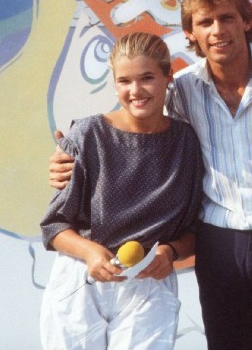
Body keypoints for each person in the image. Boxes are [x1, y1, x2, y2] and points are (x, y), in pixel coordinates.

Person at [50, 0, 252, 350]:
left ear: (247, 20)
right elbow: (134, 124)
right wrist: (69, 155)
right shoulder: (183, 90)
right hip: (217, 250)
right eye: (204, 21)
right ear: (190, 32)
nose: (217, 30)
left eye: (226, 17)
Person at [39, 32, 203, 349]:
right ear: (114, 83)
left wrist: (170, 252)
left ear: (168, 76)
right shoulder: (87, 134)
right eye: (124, 81)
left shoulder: (186, 142)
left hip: (149, 288)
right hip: (80, 281)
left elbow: (195, 230)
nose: (135, 91)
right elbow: (54, 226)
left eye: (147, 78)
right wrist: (89, 252)